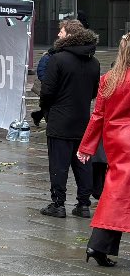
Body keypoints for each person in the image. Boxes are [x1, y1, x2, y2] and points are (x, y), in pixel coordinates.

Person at [78, 32, 130, 266]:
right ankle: (98, 245)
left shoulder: (109, 78)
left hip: (116, 139)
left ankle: (98, 245)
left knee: (116, 190)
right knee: (118, 191)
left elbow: (98, 115)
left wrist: (87, 146)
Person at [39, 19, 100, 219]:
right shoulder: (94, 62)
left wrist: (46, 109)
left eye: (61, 32)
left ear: (70, 35)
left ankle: (58, 203)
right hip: (82, 120)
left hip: (59, 119)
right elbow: (93, 92)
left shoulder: (58, 59)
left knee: (59, 164)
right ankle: (83, 204)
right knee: (83, 163)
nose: (58, 35)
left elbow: (47, 91)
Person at [32, 45, 57, 126]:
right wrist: (47, 82)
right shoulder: (46, 58)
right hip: (46, 86)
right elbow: (41, 72)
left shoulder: (57, 58)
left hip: (54, 86)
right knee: (47, 105)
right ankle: (49, 123)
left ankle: (37, 116)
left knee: (50, 105)